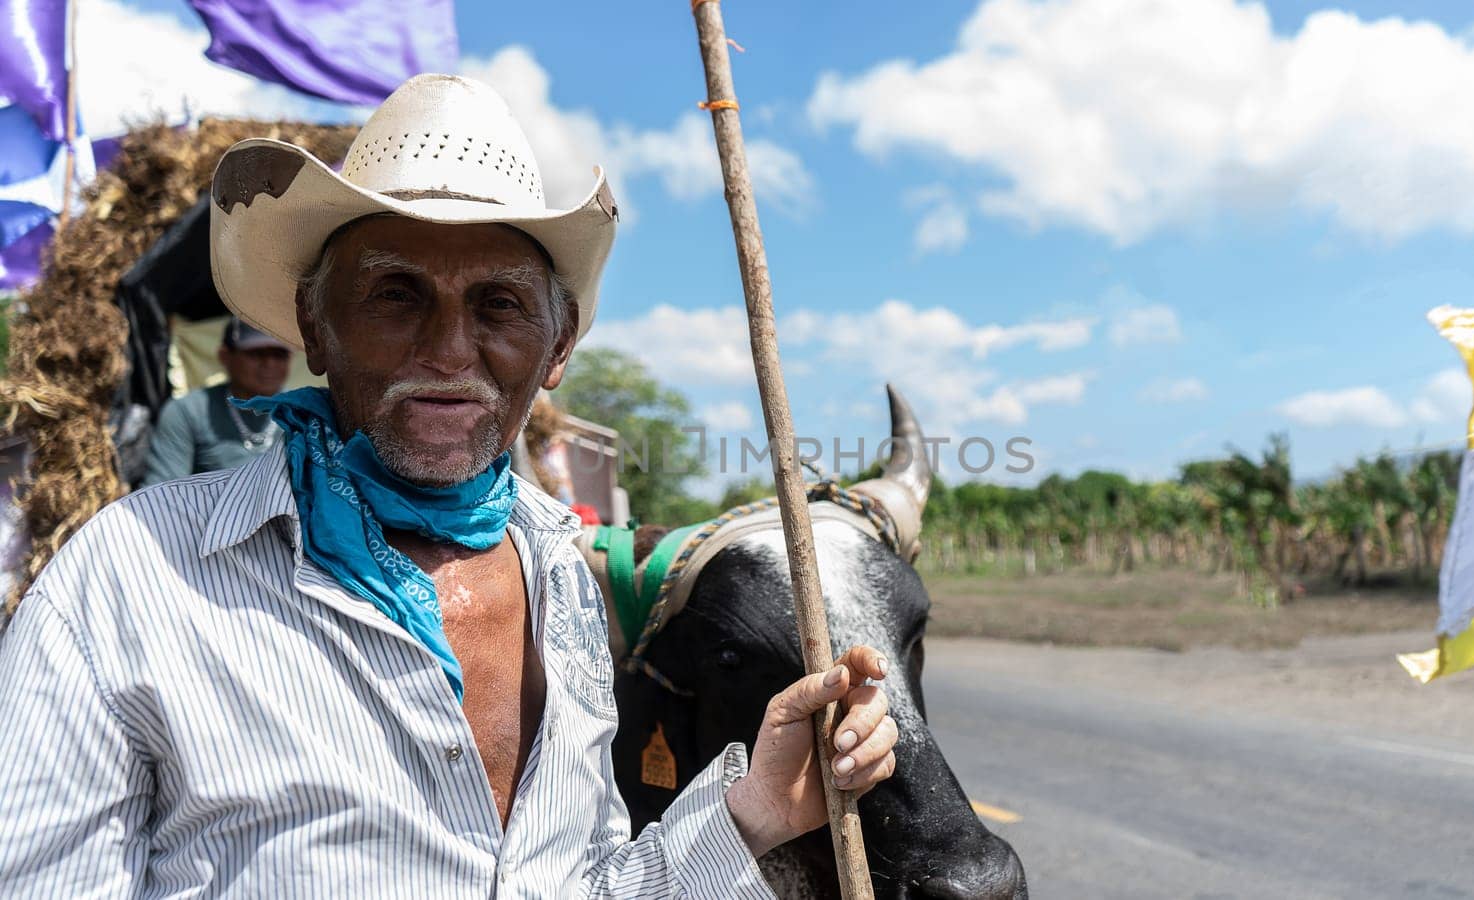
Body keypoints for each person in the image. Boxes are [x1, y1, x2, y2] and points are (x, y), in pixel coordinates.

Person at [0, 75, 897, 897]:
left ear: (556, 347)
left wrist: (755, 812)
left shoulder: (561, 582)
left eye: (499, 305)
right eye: (395, 294)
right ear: (316, 328)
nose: (449, 349)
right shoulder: (124, 582)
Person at [140, 317, 291, 485]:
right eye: (256, 354)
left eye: (279, 355)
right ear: (225, 356)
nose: (269, 364)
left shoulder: (304, 413)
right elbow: (162, 491)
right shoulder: (188, 411)